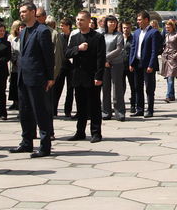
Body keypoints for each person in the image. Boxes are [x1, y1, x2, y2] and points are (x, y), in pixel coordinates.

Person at [9, 1, 55, 158]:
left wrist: (50, 77)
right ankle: (26, 142)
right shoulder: (23, 32)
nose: (21, 14)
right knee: (25, 112)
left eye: (24, 11)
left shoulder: (42, 31)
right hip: (22, 77)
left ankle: (44, 146)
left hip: (37, 78)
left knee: (40, 112)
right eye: (20, 11)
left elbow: (48, 56)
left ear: (33, 12)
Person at [66, 10, 106, 142]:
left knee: (94, 106)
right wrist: (78, 48)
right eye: (77, 19)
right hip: (78, 77)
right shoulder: (75, 37)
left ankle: (96, 133)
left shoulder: (97, 37)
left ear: (89, 21)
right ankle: (80, 132)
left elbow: (101, 58)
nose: (78, 22)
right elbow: (68, 53)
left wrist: (99, 76)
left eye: (81, 20)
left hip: (92, 77)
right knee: (80, 106)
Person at [129, 11, 161, 118]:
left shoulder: (154, 32)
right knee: (138, 87)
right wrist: (131, 62)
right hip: (137, 63)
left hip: (148, 64)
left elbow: (154, 50)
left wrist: (151, 65)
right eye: (137, 20)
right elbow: (133, 48)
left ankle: (150, 110)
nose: (138, 22)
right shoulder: (137, 32)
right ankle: (140, 109)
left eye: (140, 20)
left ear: (146, 20)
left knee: (149, 88)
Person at [102, 15, 126, 121]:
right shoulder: (102, 34)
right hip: (104, 65)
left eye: (114, 22)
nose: (112, 24)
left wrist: (106, 58)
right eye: (110, 22)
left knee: (118, 88)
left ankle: (119, 112)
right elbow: (99, 48)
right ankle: (106, 111)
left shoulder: (119, 34)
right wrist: (104, 61)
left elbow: (119, 49)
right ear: (106, 23)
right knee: (105, 88)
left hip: (116, 63)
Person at [53, 17, 75, 118]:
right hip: (62, 65)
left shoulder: (74, 36)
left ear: (68, 26)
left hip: (72, 67)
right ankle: (54, 110)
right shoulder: (59, 36)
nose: (60, 27)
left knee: (70, 89)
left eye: (62, 25)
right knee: (57, 88)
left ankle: (68, 110)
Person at [161, 19, 177, 103]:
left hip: (173, 57)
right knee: (167, 77)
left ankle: (168, 96)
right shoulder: (167, 35)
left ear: (172, 27)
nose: (167, 28)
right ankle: (172, 95)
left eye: (168, 27)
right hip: (166, 57)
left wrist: (175, 55)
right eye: (166, 27)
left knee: (171, 76)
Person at [7, 20, 22, 112]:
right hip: (15, 67)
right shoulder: (12, 39)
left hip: (23, 67)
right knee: (13, 85)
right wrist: (15, 61)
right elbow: (11, 52)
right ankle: (15, 102)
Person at [121, 21, 136, 115]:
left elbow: (134, 52)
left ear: (130, 28)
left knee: (133, 86)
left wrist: (132, 64)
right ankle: (120, 105)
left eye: (127, 28)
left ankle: (133, 105)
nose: (126, 29)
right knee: (121, 87)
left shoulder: (133, 38)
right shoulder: (119, 38)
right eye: (124, 28)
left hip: (130, 66)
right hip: (120, 66)